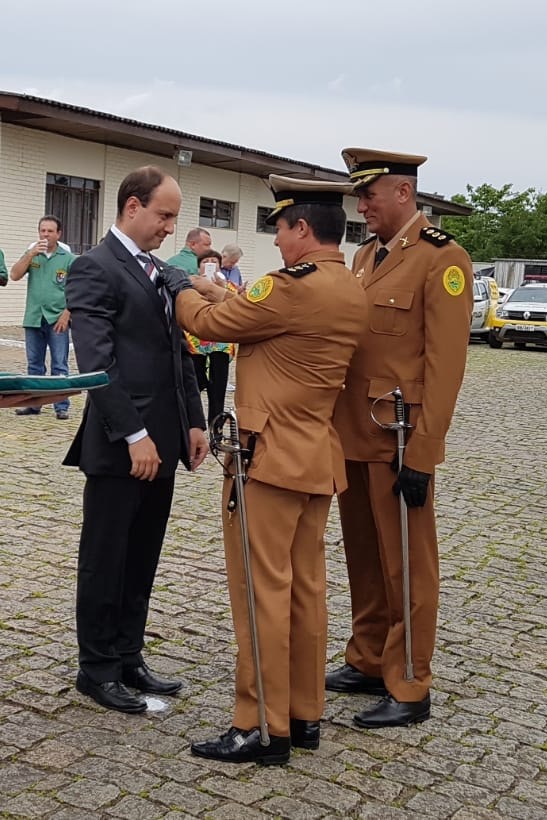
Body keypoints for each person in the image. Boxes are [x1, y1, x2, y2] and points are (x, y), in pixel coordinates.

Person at [162, 174, 368, 765]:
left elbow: (210, 325)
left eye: (279, 229)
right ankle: (303, 716)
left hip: (269, 460)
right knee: (306, 591)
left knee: (259, 594)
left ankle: (258, 726)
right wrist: (213, 284)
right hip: (314, 458)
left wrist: (179, 284)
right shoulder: (344, 284)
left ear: (302, 229)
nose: (276, 242)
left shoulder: (292, 285)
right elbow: (257, 314)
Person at [327, 147, 474, 728]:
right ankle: (367, 658)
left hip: (399, 437)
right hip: (353, 436)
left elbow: (447, 364)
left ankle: (410, 683)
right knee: (364, 556)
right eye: (359, 196)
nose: (361, 206)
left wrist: (425, 452)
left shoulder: (443, 259)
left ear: (403, 194)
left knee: (408, 563)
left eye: (369, 195)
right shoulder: (365, 256)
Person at [63, 165, 209, 714]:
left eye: (174, 216)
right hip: (121, 444)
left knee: (143, 554)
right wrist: (135, 434)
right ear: (131, 207)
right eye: (163, 215)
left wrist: (192, 420)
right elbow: (97, 363)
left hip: (166, 442)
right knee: (106, 556)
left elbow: (179, 353)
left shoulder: (162, 271)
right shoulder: (93, 268)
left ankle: (128, 654)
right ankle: (96, 667)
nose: (171, 227)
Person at [9, 216, 76, 419]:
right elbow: (14, 274)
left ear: (58, 234)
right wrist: (30, 254)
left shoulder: (68, 258)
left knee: (59, 364)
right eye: (42, 231)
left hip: (57, 318)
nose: (45, 235)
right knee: (34, 365)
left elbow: (79, 289)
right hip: (34, 317)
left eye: (50, 231)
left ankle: (61, 406)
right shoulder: (32, 254)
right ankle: (34, 404)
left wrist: (67, 314)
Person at [184, 249, 236, 426]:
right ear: (199, 267)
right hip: (196, 342)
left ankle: (217, 426)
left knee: (218, 388)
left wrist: (220, 288)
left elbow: (236, 308)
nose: (210, 264)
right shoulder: (190, 285)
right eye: (206, 261)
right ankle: (193, 424)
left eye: (214, 261)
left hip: (220, 344)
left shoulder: (229, 287)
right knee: (194, 385)